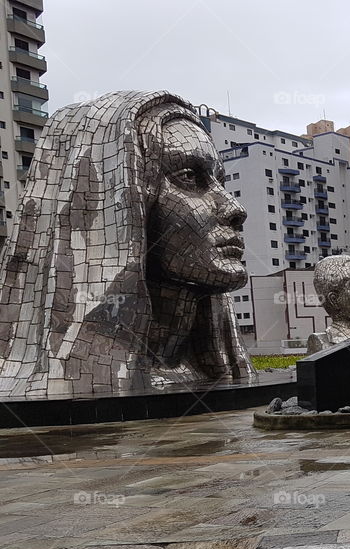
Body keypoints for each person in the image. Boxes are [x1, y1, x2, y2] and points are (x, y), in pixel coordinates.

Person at [0, 91, 252, 397]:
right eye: (188, 176)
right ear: (113, 202)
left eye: (219, 182)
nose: (234, 208)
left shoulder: (220, 371)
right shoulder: (57, 397)